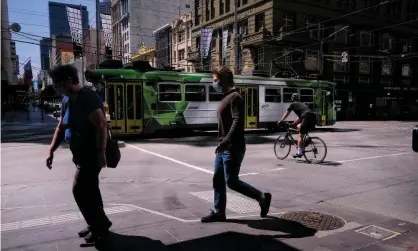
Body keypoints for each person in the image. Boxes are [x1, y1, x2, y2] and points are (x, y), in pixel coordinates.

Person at [45, 64, 111, 244]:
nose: (56, 87)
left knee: (80, 190)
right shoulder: (67, 100)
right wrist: (51, 150)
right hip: (79, 154)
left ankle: (99, 230)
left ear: (68, 80)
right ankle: (99, 224)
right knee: (91, 191)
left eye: (58, 83)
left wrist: (101, 152)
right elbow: (61, 127)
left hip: (91, 154)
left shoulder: (87, 98)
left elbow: (101, 126)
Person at [201, 66, 272, 223]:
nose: (214, 83)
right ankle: (219, 211)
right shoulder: (225, 97)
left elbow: (237, 121)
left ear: (224, 80)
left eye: (215, 80)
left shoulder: (235, 98)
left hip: (233, 146)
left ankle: (262, 197)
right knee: (217, 179)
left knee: (231, 181)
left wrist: (226, 140)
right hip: (223, 147)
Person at [279, 93, 316, 158]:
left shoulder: (293, 104)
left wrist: (281, 120)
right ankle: (306, 142)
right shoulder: (302, 105)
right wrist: (293, 124)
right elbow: (299, 118)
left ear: (292, 99)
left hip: (306, 117)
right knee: (299, 127)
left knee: (300, 135)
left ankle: (299, 152)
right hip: (313, 117)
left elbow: (286, 114)